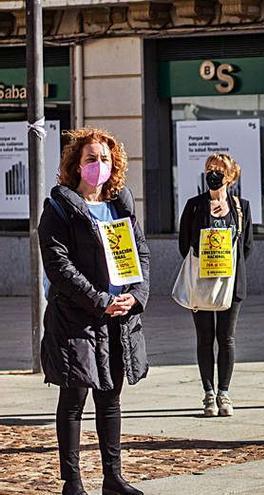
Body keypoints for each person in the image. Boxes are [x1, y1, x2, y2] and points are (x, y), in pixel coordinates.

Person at [39, 128, 150, 495]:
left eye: (104, 159)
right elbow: (59, 266)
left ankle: (113, 478)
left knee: (110, 398)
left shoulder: (122, 206)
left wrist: (136, 295)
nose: (98, 166)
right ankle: (72, 481)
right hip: (76, 319)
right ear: (76, 164)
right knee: (73, 399)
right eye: (91, 159)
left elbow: (141, 256)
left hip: (120, 318)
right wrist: (99, 299)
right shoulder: (59, 208)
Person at [179, 153, 254, 417]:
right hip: (201, 283)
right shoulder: (195, 206)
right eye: (210, 169)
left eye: (220, 170)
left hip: (231, 284)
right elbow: (183, 244)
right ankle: (208, 393)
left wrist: (225, 267)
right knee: (204, 338)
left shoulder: (241, 207)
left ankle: (224, 393)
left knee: (226, 338)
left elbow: (246, 247)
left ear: (230, 176)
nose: (214, 174)